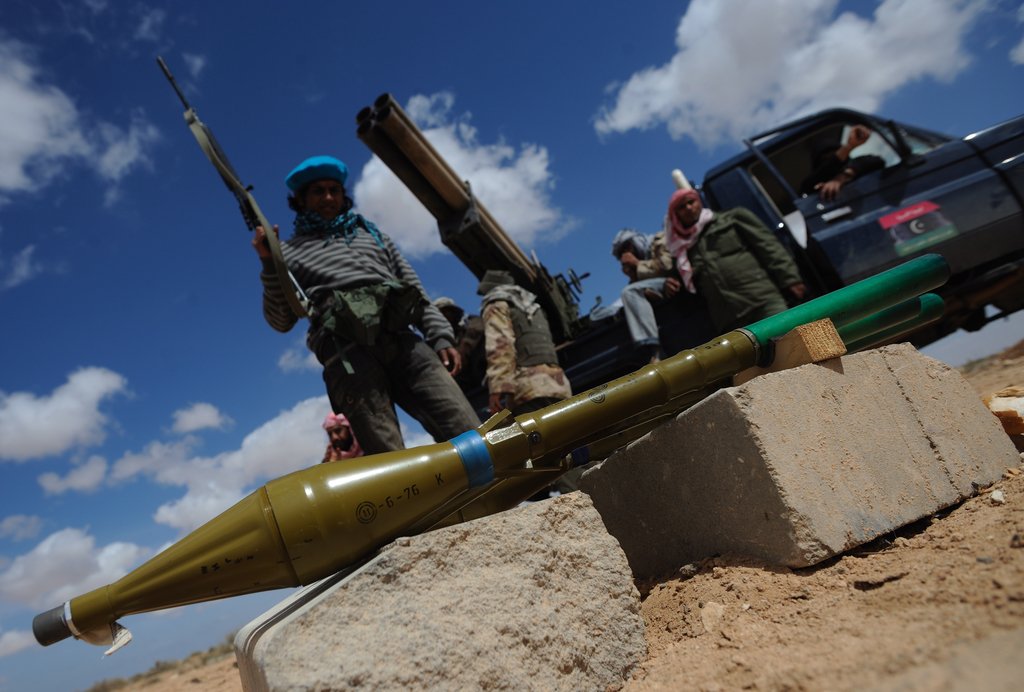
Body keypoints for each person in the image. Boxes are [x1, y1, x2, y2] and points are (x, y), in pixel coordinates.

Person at [253, 155, 480, 454]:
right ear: (300, 200)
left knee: (466, 428)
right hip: (347, 353)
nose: (328, 197)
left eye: (334, 190)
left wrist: (440, 335)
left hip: (401, 338)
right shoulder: (289, 252)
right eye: (318, 191)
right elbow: (281, 320)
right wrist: (270, 263)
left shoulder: (374, 236)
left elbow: (412, 288)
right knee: (388, 455)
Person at [666, 188, 806, 331]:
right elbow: (684, 284)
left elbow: (768, 246)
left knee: (788, 338)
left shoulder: (732, 218)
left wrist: (791, 279)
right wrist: (670, 282)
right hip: (729, 320)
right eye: (682, 207)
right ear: (676, 215)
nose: (688, 208)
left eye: (691, 202)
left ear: (699, 201)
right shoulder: (681, 250)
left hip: (762, 301)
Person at [477, 270, 571, 416]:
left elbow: (501, 347)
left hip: (528, 389)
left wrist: (497, 388)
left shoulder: (496, 305)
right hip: (559, 386)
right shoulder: (533, 307)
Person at [611, 228, 681, 363]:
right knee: (628, 294)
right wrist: (633, 274)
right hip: (661, 287)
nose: (626, 254)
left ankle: (655, 349)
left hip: (674, 282)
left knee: (629, 292)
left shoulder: (658, 241)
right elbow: (638, 291)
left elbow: (667, 267)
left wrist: (637, 264)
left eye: (627, 248)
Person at [800, 124, 885, 202]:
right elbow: (827, 168)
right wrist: (848, 147)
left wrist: (843, 176)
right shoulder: (810, 184)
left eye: (835, 153)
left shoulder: (855, 167)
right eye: (826, 157)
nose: (832, 160)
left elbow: (877, 161)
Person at [433, 296, 486, 392]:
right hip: (466, 390)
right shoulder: (439, 343)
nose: (443, 317)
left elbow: (474, 334)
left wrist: (457, 356)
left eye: (446, 312)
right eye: (439, 314)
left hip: (485, 380)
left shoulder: (473, 323)